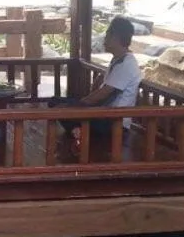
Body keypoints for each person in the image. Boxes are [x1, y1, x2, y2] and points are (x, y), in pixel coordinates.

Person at [51, 16, 141, 144]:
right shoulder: (117, 59)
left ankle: (78, 130)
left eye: (107, 35)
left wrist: (79, 105)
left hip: (114, 123)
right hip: (102, 113)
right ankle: (78, 129)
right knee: (55, 102)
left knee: (62, 109)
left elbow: (104, 93)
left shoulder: (127, 64)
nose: (104, 39)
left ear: (116, 38)